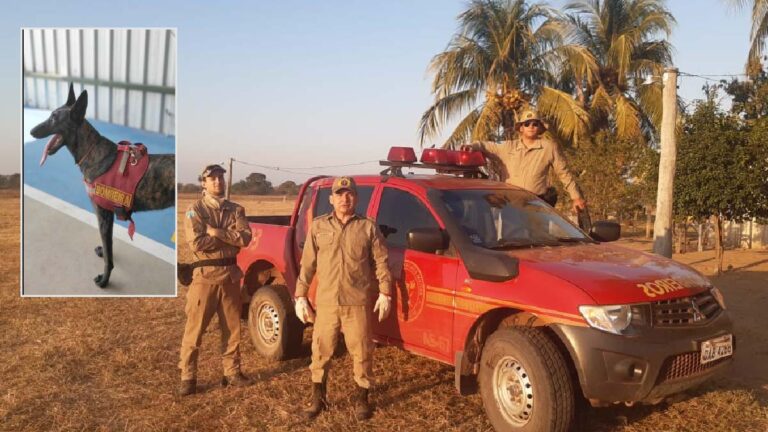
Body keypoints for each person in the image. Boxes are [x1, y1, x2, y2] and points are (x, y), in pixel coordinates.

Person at [294, 176, 392, 421]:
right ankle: (318, 399)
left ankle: (362, 399)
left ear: (356, 198)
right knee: (321, 351)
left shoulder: (368, 227)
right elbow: (307, 264)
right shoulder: (319, 226)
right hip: (327, 302)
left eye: (349, 194)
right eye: (339, 194)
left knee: (362, 351)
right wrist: (300, 295)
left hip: (356, 302)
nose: (344, 199)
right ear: (331, 199)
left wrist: (385, 292)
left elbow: (381, 262)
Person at [178, 164, 253, 396]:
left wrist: (216, 232)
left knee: (232, 330)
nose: (218, 181)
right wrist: (230, 238)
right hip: (205, 277)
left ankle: (232, 372)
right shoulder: (194, 210)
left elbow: (245, 239)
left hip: (230, 277)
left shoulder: (237, 210)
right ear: (204, 183)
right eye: (212, 178)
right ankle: (188, 377)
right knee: (195, 330)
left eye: (221, 177)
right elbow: (197, 243)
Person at [462, 109, 587, 212]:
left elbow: (564, 173)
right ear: (521, 128)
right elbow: (484, 145)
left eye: (535, 124)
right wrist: (472, 146)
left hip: (536, 204)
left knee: (538, 234)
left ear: (540, 128)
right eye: (527, 124)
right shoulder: (508, 147)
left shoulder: (549, 147)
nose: (531, 126)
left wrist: (576, 197)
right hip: (509, 204)